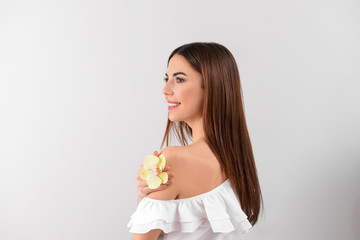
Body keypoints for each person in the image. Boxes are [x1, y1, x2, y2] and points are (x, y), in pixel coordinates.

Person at [127, 42, 263, 240]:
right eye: (166, 79)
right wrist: (145, 197)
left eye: (179, 79)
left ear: (211, 87)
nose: (165, 89)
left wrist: (145, 200)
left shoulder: (174, 160)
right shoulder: (237, 162)